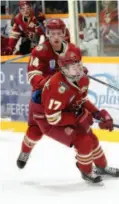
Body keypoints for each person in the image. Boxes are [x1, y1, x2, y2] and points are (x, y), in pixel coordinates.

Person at [32, 45, 119, 183]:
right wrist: (78, 118)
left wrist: (97, 113)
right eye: (73, 66)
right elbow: (52, 118)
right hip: (47, 119)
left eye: (79, 63)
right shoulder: (57, 88)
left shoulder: (83, 79)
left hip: (66, 112)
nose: (79, 69)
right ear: (64, 69)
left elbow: (82, 99)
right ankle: (86, 171)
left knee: (92, 138)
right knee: (83, 140)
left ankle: (102, 167)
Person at [16, 18, 71, 170]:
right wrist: (50, 82)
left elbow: (77, 70)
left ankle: (90, 163)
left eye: (59, 33)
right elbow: (33, 76)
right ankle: (25, 151)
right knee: (35, 131)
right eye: (52, 33)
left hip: (65, 96)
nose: (56, 37)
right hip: (42, 97)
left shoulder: (71, 49)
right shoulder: (40, 51)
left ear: (64, 33)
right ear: (47, 34)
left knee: (81, 128)